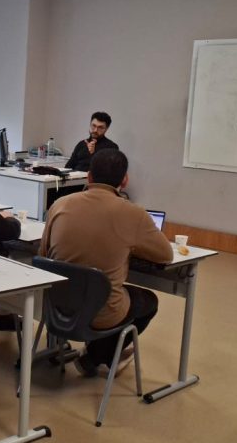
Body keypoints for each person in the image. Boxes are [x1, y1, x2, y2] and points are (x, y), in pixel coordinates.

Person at [39, 149, 172, 376]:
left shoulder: (60, 204)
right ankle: (96, 356)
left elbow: (43, 254)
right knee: (148, 301)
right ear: (125, 180)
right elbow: (165, 255)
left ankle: (94, 353)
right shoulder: (134, 214)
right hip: (101, 315)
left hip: (57, 306)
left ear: (89, 176)